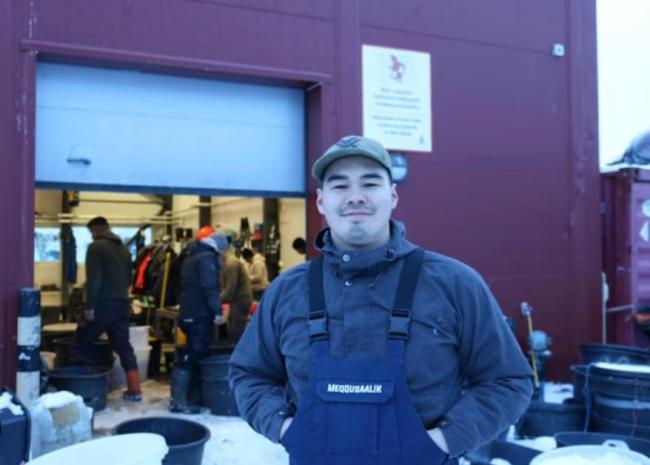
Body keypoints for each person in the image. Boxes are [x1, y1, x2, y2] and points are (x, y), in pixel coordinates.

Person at [229, 135, 533, 464]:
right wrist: (285, 428)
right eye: (340, 185)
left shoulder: (454, 284)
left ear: (393, 195)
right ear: (321, 201)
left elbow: (507, 380)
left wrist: (445, 440)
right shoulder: (287, 291)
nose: (355, 196)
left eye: (370, 183)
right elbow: (249, 374)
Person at [72, 216, 142, 401]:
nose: (91, 236)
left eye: (91, 232)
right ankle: (135, 389)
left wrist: (90, 307)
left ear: (96, 230)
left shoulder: (96, 247)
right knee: (123, 346)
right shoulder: (124, 250)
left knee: (81, 343)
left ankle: (84, 389)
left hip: (102, 303)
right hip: (122, 303)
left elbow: (94, 279)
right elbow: (129, 278)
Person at [170, 231, 229, 413]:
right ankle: (180, 401)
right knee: (193, 353)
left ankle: (188, 397)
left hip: (189, 311)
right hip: (199, 313)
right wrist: (217, 311)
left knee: (193, 353)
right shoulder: (206, 258)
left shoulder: (191, 255)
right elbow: (209, 286)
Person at [220, 245, 253, 343]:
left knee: (236, 330)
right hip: (238, 300)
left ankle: (237, 350)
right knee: (234, 327)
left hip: (240, 301)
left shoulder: (231, 264)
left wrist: (216, 300)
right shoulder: (230, 262)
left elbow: (230, 289)